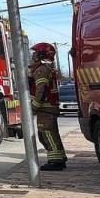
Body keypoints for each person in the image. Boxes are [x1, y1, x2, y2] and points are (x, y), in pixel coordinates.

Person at [28, 42, 66, 170]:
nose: (33, 56)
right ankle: (60, 157)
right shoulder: (48, 69)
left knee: (46, 135)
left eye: (35, 53)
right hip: (50, 107)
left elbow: (41, 90)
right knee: (52, 133)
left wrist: (34, 106)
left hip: (45, 108)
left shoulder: (41, 70)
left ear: (41, 54)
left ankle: (55, 162)